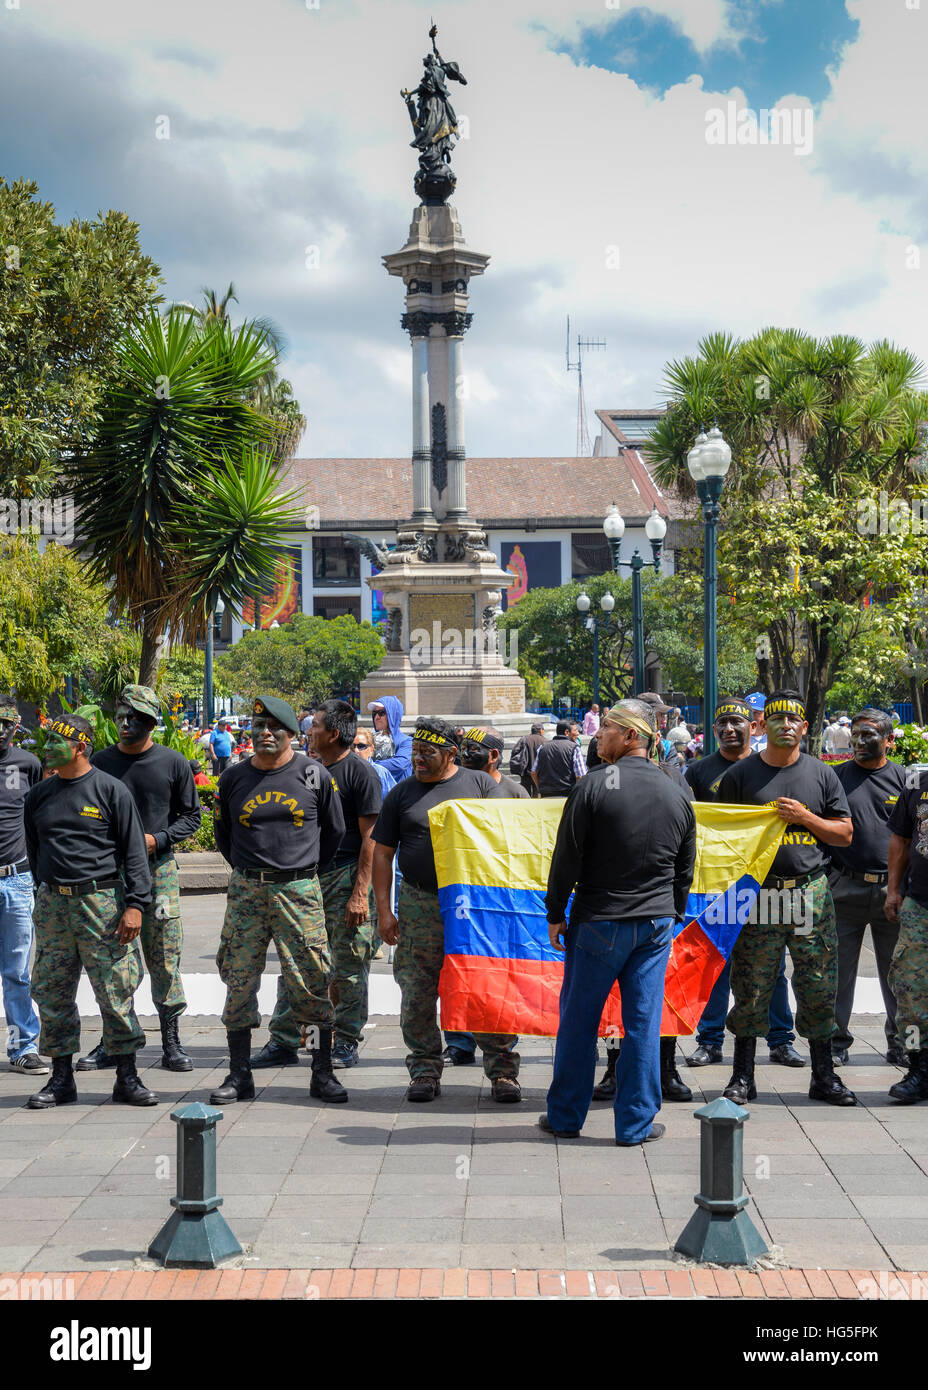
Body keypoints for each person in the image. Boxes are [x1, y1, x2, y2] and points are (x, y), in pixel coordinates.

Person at [540, 700, 696, 1145]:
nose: (598, 734)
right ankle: (635, 1124)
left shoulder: (593, 786)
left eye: (606, 728)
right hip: (654, 924)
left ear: (632, 736)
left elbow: (565, 857)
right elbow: (685, 868)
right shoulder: (675, 791)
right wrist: (673, 913)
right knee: (643, 1024)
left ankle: (566, 1117)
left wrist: (555, 912)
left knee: (578, 1021)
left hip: (599, 923)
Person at [716, 690, 857, 1106]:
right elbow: (722, 836)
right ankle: (743, 1076)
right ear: (763, 726)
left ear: (805, 726)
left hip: (809, 892)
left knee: (817, 984)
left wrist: (806, 818)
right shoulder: (742, 776)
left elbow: (845, 834)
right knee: (752, 984)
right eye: (776, 718)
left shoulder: (821, 775)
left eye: (794, 719)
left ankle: (824, 1075)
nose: (786, 725)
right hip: (759, 894)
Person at [372, 716, 520, 1102]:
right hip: (420, 904)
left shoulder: (481, 785)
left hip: (474, 907)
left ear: (451, 753)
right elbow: (383, 855)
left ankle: (502, 1071)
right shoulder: (402, 795)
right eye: (416, 751)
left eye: (428, 752)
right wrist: (385, 912)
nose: (418, 758)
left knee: (484, 985)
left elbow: (509, 838)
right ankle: (424, 1069)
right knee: (418, 991)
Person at [211, 695, 347, 1104]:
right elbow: (224, 837)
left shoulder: (313, 775)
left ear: (291, 734)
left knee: (310, 980)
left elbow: (335, 832)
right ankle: (239, 1074)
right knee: (238, 980)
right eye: (259, 727)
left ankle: (320, 1072)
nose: (265, 734)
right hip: (247, 890)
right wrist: (250, 870)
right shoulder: (233, 779)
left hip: (298, 890)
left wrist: (301, 871)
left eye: (275, 729)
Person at [23, 714, 157, 1109]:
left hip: (102, 905)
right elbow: (35, 851)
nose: (47, 747)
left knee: (115, 991)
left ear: (80, 747)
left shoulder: (110, 791)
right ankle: (61, 1079)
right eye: (46, 740)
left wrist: (135, 906)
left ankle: (126, 1077)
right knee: (51, 992)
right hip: (53, 905)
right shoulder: (40, 795)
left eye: (56, 742)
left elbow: (135, 854)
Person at [254, 700, 383, 1072]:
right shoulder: (307, 771)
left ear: (334, 733)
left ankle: (344, 1041)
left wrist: (360, 894)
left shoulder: (361, 774)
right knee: (300, 964)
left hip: (345, 878)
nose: (309, 731)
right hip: (306, 880)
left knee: (348, 966)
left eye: (316, 726)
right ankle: (288, 1040)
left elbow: (370, 838)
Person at [82, 685, 202, 1074]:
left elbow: (191, 817)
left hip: (158, 872)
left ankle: (171, 1041)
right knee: (113, 960)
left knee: (164, 956)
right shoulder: (99, 763)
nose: (125, 723)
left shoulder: (173, 763)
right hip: (110, 874)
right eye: (120, 716)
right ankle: (113, 1040)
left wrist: (157, 839)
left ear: (151, 722)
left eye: (134, 717)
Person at [683, 698, 802, 1069]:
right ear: (714, 731)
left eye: (737, 722)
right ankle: (710, 1039)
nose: (730, 729)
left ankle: (781, 1039)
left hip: (769, 885)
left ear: (754, 727)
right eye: (723, 724)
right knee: (715, 962)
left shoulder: (770, 768)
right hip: (718, 886)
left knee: (774, 966)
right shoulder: (698, 773)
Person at [828, 709, 906, 1068]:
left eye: (869, 735)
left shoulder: (905, 781)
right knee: (838, 975)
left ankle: (903, 1043)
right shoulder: (835, 778)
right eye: (856, 734)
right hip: (845, 888)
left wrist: (901, 888)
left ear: (889, 740)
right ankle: (835, 1043)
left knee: (899, 976)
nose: (859, 741)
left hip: (894, 893)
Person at [0, 700, 47, 1074]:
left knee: (17, 970)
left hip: (16, 880)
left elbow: (39, 817)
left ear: (16, 727)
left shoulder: (28, 765)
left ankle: (23, 1047)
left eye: (6, 723)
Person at [884, 765, 928, 1102]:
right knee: (909, 994)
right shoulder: (917, 782)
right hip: (919, 905)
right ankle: (918, 1068)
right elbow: (900, 839)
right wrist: (893, 890)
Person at [459, 727, 530, 798]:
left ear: (494, 755)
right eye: (462, 749)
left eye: (473, 749)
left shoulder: (516, 793)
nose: (464, 754)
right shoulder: (454, 787)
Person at [532, 720, 586, 796]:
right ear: (567, 732)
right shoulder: (574, 748)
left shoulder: (542, 747)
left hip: (546, 795)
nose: (577, 733)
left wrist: (540, 789)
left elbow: (534, 772)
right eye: (575, 730)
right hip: (567, 794)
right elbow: (580, 776)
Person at [367, 697, 413, 782]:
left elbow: (399, 764)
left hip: (398, 793)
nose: (377, 717)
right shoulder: (368, 740)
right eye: (374, 713)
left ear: (393, 715)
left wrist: (368, 765)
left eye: (381, 713)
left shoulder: (407, 742)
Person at [352, 727, 396, 796]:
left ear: (371, 749)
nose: (356, 750)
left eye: (361, 746)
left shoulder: (381, 773)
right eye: (352, 746)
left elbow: (394, 800)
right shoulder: (343, 771)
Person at [509, 722, 546, 798]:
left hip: (525, 772)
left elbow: (515, 751)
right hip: (539, 773)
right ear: (541, 730)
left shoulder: (524, 739)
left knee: (525, 793)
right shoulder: (545, 741)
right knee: (537, 793)